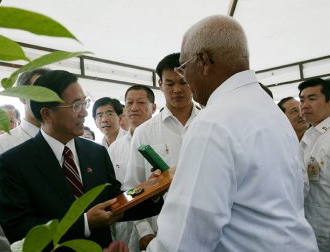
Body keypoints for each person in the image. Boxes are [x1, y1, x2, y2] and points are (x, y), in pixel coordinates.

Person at [146, 15, 317, 251]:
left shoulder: (213, 122)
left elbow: (185, 238)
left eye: (184, 69)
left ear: (204, 61)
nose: (184, 80)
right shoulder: (269, 109)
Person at [0, 70, 163, 249]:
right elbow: (17, 228)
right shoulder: (15, 162)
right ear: (47, 114)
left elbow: (115, 201)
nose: (84, 113)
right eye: (76, 105)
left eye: (85, 103)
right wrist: (83, 224)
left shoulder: (96, 153)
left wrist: (151, 191)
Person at [123, 53, 200, 249]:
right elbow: (131, 189)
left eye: (183, 82)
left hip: (209, 229)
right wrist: (145, 233)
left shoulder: (210, 123)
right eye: (170, 83)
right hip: (162, 236)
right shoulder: (144, 133)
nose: (177, 90)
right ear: (160, 83)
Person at [0, 68, 49, 251]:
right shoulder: (1, 146)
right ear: (22, 96)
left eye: (50, 90)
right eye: (38, 90)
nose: (46, 96)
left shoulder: (65, 142)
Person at [108, 85, 156, 251]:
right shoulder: (114, 148)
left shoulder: (160, 138)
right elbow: (120, 190)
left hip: (161, 224)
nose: (134, 107)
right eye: (129, 103)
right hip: (127, 231)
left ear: (153, 107)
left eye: (141, 102)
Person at [298, 78, 330, 251]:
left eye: (312, 98)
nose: (305, 105)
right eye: (302, 100)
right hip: (313, 233)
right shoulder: (309, 135)